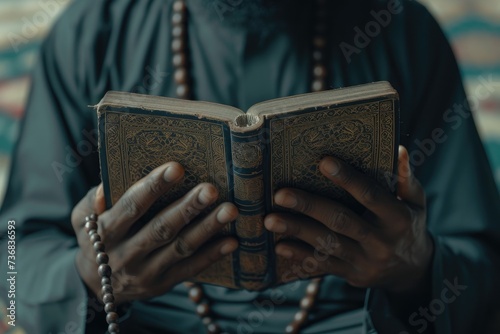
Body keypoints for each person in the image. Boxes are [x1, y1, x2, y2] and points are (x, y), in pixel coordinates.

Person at [1, 0, 499, 333]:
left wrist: (414, 267)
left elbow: (486, 271)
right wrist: (91, 278)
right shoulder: (92, 32)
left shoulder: (402, 29)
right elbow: (11, 267)